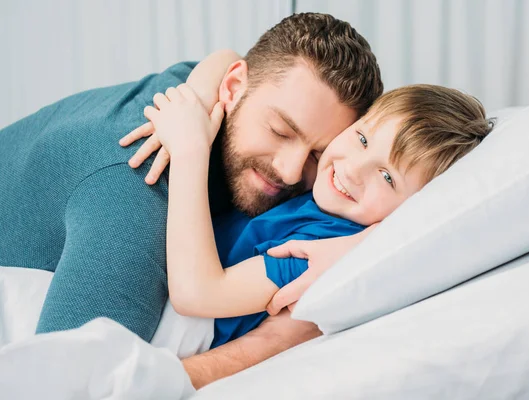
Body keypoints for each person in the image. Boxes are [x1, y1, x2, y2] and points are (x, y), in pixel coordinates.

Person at [0, 13, 381, 388]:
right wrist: (275, 341)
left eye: (318, 154)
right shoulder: (135, 190)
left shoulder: (206, 94)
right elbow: (70, 385)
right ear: (232, 88)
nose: (292, 171)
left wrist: (360, 243)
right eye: (280, 131)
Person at [122, 83, 493, 350]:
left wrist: (190, 150)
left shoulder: (322, 247)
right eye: (363, 139)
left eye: (387, 177)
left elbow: (198, 294)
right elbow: (228, 59)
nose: (353, 169)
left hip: (176, 326)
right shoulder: (313, 176)